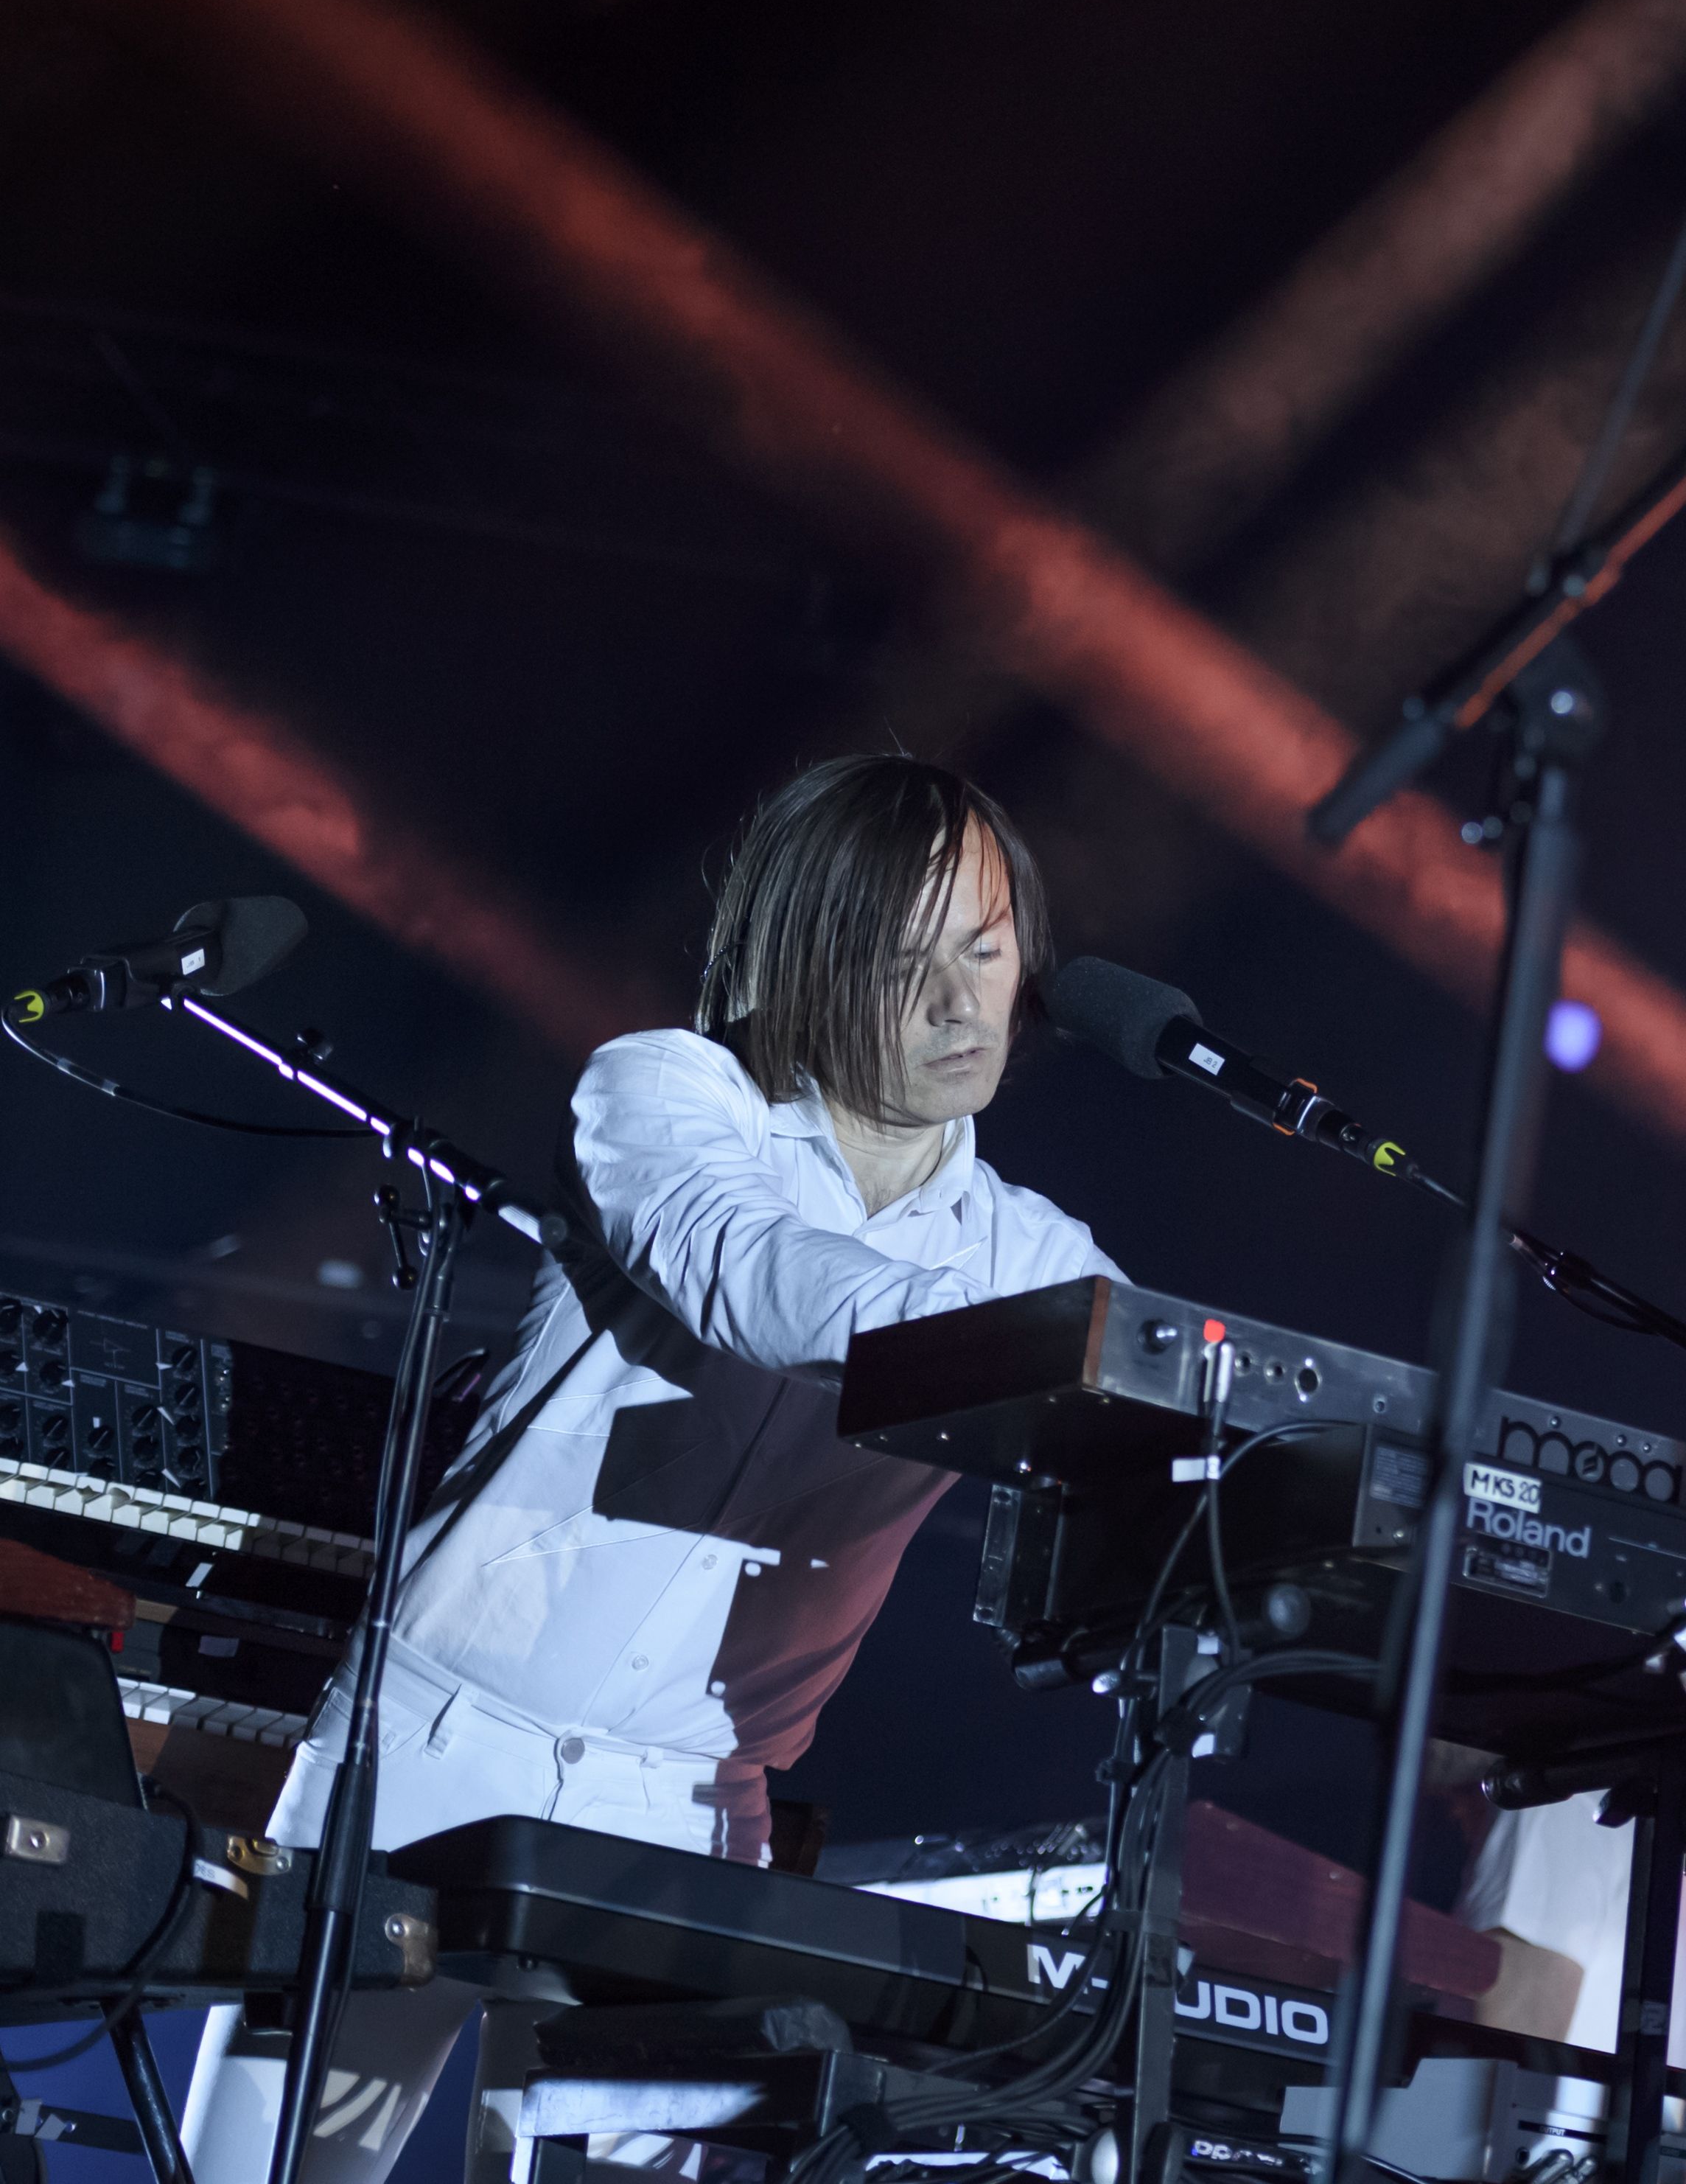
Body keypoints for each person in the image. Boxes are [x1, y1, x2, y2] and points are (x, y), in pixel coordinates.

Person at [185, 756, 1120, 2184]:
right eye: (904, 962)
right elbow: (752, 1273)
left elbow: (1171, 1432)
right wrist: (1023, 1344)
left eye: (985, 953)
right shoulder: (670, 1091)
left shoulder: (1037, 1254)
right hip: (437, 1750)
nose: (958, 1003)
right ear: (804, 963)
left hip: (689, 1806)